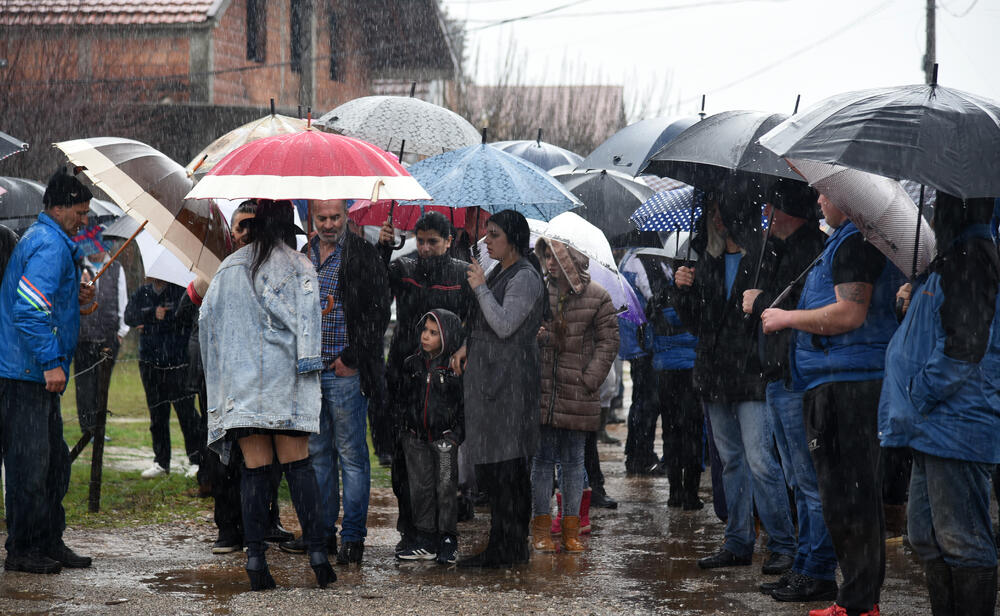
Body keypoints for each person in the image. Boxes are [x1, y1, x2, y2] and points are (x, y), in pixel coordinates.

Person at [761, 193, 902, 616]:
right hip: (833, 379)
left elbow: (849, 314)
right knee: (842, 497)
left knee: (852, 498)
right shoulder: (841, 241)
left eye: (826, 193)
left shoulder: (857, 243)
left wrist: (787, 318)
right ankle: (857, 598)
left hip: (851, 384)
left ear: (847, 198)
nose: (819, 199)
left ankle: (859, 602)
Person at [199, 199, 334, 591]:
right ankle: (318, 555)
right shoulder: (299, 265)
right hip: (286, 385)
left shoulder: (228, 267)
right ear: (287, 229)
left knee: (255, 470)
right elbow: (306, 328)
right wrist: (311, 346)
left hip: (242, 388)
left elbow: (208, 320)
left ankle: (256, 559)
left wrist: (222, 374)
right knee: (299, 467)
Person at [879, 193, 1000, 616]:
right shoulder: (951, 259)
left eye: (942, 204)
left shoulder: (972, 257)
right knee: (927, 536)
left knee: (962, 541)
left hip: (956, 424)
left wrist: (919, 393)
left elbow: (963, 348)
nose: (933, 214)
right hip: (931, 426)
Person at [673, 198, 795, 575]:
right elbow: (696, 324)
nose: (716, 219)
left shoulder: (765, 257)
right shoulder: (704, 259)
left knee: (760, 461)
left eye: (722, 211)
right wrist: (683, 290)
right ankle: (738, 540)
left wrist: (757, 303)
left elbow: (775, 314)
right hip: (714, 375)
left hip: (751, 373)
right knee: (730, 463)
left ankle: (782, 543)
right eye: (711, 212)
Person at [742, 182, 838, 602]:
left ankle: (814, 570)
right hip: (778, 374)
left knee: (808, 481)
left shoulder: (810, 248)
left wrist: (758, 299)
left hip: (796, 376)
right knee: (800, 481)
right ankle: (803, 565)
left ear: (787, 211)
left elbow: (795, 307)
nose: (766, 213)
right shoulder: (778, 248)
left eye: (772, 206)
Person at [0, 166, 95, 573]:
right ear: (58, 207)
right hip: (26, 373)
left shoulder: (57, 244)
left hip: (35, 373)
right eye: (79, 211)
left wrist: (80, 295)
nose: (84, 219)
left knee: (54, 462)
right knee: (30, 465)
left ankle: (49, 539)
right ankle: (23, 548)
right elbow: (29, 309)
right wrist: (51, 362)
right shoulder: (49, 245)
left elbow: (49, 304)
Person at [288, 199, 390, 564]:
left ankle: (353, 538)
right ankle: (323, 533)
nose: (329, 224)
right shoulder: (302, 255)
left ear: (346, 216)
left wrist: (353, 357)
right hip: (311, 373)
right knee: (318, 456)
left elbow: (378, 311)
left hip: (344, 373)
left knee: (352, 457)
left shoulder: (361, 254)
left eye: (335, 218)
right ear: (311, 219)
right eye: (322, 218)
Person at [450, 209, 545, 568]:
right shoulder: (499, 269)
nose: (486, 241)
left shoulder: (525, 277)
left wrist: (480, 287)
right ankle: (501, 544)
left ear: (513, 240)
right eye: (487, 234)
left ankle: (510, 547)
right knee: (495, 468)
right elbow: (482, 323)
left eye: (494, 235)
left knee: (509, 468)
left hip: (512, 384)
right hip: (490, 381)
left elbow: (505, 324)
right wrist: (466, 347)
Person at [377, 211, 475, 557]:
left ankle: (445, 533)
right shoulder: (403, 268)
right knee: (407, 462)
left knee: (445, 464)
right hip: (405, 375)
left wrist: (466, 346)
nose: (425, 248)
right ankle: (412, 531)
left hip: (447, 379)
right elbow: (375, 289)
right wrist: (383, 249)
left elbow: (478, 319)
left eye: (433, 241)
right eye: (420, 240)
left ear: (449, 241)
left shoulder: (463, 273)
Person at [530, 238, 618, 554]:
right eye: (546, 257)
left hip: (578, 395)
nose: (550, 263)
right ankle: (540, 527)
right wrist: (537, 338)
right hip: (544, 390)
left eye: (556, 256)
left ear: (572, 258)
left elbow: (609, 343)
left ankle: (571, 528)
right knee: (541, 462)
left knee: (572, 462)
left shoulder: (598, 297)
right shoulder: (539, 292)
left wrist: (589, 379)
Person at [396, 309, 466, 564]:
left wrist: (456, 435)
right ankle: (426, 538)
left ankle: (448, 538)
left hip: (445, 440)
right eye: (424, 330)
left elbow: (463, 406)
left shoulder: (455, 368)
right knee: (421, 488)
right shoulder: (411, 364)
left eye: (434, 333)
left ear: (448, 336)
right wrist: (405, 430)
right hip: (415, 439)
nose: (426, 336)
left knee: (446, 487)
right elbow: (402, 400)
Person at [125, 278, 204, 478]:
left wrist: (153, 323)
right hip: (149, 363)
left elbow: (184, 319)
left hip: (177, 363)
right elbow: (129, 316)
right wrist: (152, 314)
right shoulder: (142, 293)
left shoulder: (179, 292)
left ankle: (196, 460)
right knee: (157, 415)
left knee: (187, 414)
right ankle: (161, 462)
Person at [643, 255, 702, 510]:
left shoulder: (660, 296)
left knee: (671, 432)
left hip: (665, 374)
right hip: (692, 372)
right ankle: (690, 494)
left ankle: (674, 492)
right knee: (693, 434)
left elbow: (650, 332)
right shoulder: (698, 297)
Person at [74, 230, 129, 437]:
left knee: (101, 385)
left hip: (108, 337)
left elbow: (122, 299)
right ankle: (86, 428)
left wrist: (121, 331)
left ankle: (99, 428)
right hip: (83, 337)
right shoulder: (79, 266)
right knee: (84, 384)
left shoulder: (115, 267)